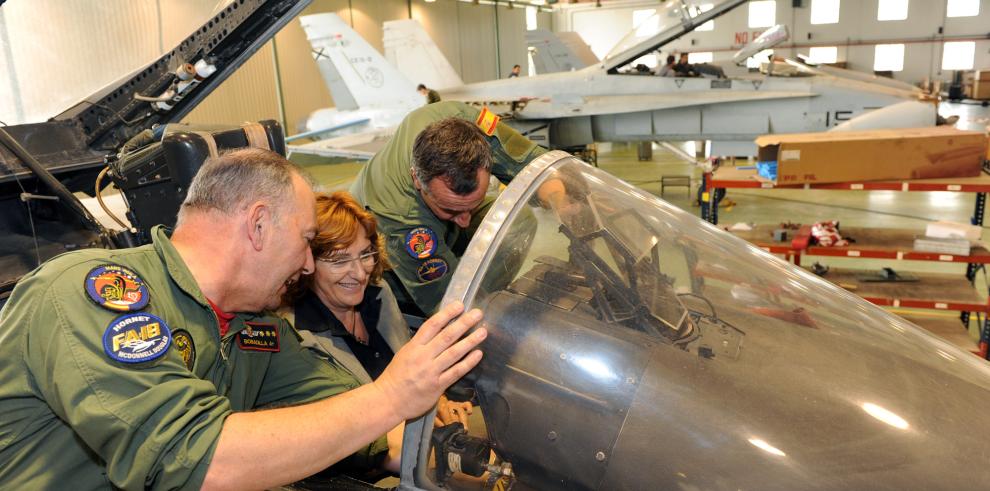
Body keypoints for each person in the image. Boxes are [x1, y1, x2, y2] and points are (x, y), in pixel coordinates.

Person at [0, 147, 486, 489]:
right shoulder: (94, 293)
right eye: (305, 240)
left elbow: (348, 414)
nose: (309, 265)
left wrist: (452, 455)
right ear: (257, 225)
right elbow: (197, 461)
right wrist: (392, 395)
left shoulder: (256, 329)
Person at [284, 191, 474, 438]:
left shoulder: (379, 294)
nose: (360, 273)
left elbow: (412, 372)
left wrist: (439, 403)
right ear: (306, 264)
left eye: (365, 254)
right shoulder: (296, 336)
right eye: (339, 261)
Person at [350, 101, 566, 317]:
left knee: (516, 222)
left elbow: (525, 159)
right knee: (407, 299)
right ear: (417, 179)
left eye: (472, 204)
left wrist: (561, 199)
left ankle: (481, 300)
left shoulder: (463, 122)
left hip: (427, 211)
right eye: (451, 210)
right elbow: (444, 305)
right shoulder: (403, 220)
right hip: (387, 258)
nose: (465, 221)